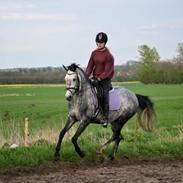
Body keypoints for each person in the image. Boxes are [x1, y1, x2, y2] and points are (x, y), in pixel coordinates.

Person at [85, 32, 114, 127]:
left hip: (105, 80)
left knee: (103, 96)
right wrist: (85, 76)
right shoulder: (94, 53)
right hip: (95, 79)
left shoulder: (108, 56)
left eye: (101, 42)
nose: (99, 44)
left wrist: (99, 78)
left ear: (105, 43)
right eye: (97, 42)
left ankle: (105, 118)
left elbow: (108, 71)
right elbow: (90, 67)